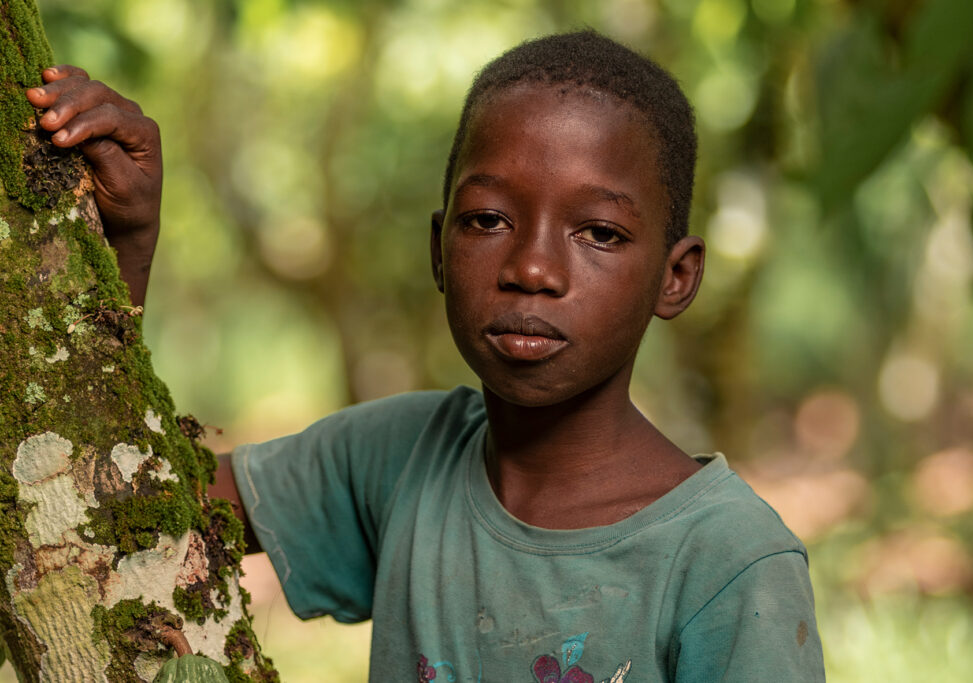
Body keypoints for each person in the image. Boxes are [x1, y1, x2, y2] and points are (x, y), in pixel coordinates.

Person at [28, 31, 825, 681]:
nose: (533, 269)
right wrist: (124, 256)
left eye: (601, 233)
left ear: (676, 276)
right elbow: (128, 504)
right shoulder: (401, 457)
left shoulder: (729, 558)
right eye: (487, 220)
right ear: (439, 250)